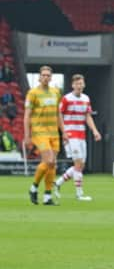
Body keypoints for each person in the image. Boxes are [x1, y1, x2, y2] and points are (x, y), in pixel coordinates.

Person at [54, 74, 102, 201]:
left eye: (81, 83)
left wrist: (95, 131)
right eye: (77, 84)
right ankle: (79, 194)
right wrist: (63, 132)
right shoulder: (66, 99)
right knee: (78, 163)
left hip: (82, 134)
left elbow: (88, 116)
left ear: (84, 85)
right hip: (70, 134)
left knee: (80, 166)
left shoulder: (86, 98)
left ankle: (58, 183)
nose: (79, 86)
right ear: (73, 85)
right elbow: (59, 115)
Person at [24, 66, 67, 206]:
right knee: (49, 160)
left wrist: (64, 132)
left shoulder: (56, 92)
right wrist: (27, 135)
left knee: (52, 164)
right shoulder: (32, 93)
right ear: (39, 77)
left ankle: (47, 196)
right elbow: (27, 115)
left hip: (54, 132)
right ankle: (34, 187)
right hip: (40, 132)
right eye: (43, 75)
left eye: (48, 75)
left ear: (51, 77)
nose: (46, 77)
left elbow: (58, 114)